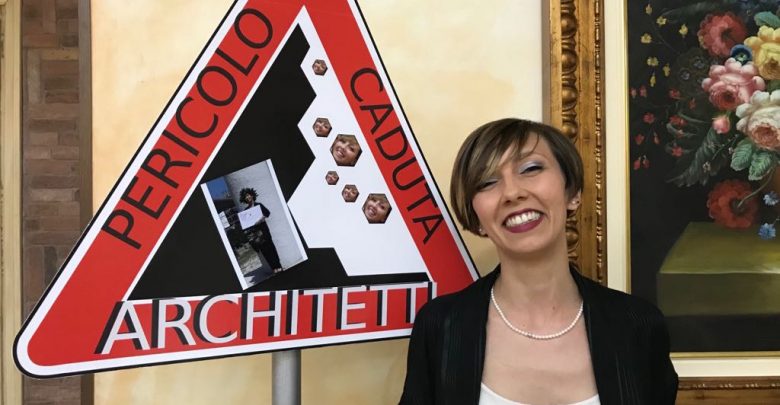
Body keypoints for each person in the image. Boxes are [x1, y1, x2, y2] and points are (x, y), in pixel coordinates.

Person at [400, 119, 677, 404]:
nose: (512, 193)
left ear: (572, 192)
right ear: (476, 217)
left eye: (531, 168)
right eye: (487, 182)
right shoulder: (440, 326)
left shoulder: (639, 326)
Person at [239, 187, 283, 275]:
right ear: (244, 199)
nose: (247, 197)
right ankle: (274, 268)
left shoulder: (258, 205)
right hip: (256, 234)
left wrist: (261, 219)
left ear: (252, 195)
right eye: (245, 196)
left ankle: (279, 266)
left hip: (264, 230)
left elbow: (267, 213)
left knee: (271, 248)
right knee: (265, 251)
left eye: (248, 195)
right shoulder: (245, 211)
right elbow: (246, 224)